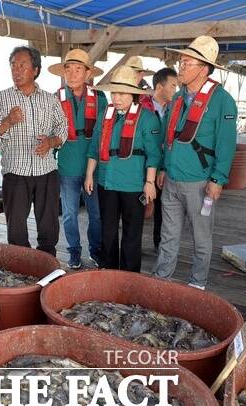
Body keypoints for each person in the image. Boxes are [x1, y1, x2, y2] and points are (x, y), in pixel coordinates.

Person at [153, 36, 238, 290]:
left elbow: (226, 144)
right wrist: (163, 168)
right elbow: (169, 137)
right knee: (168, 237)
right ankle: (161, 282)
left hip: (201, 184)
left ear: (204, 68)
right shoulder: (177, 99)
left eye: (186, 63)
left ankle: (197, 285)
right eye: (181, 62)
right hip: (171, 181)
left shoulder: (222, 100)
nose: (181, 67)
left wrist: (218, 179)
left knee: (201, 239)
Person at [0, 46, 68, 256]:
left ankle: (47, 264)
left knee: (49, 225)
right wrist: (8, 121)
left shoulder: (50, 99)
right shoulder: (0, 98)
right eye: (13, 65)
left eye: (23, 65)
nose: (17, 70)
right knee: (17, 229)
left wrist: (51, 141)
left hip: (46, 171)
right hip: (16, 173)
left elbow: (63, 128)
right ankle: (22, 267)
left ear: (36, 70)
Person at [84, 65, 162, 272]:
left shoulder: (147, 118)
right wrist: (89, 175)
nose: (116, 97)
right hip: (106, 183)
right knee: (107, 232)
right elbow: (94, 148)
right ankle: (109, 273)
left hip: (133, 185)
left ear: (133, 94)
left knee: (131, 234)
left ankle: (129, 277)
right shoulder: (104, 114)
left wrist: (150, 183)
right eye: (113, 92)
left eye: (121, 93)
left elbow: (154, 154)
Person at [48, 49, 107, 269]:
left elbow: (104, 132)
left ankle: (96, 250)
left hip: (94, 166)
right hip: (67, 166)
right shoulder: (54, 98)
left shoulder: (100, 98)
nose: (72, 74)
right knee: (70, 214)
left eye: (78, 69)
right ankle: (74, 251)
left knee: (96, 214)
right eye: (68, 69)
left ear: (87, 73)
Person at [139, 67, 179, 250]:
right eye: (173, 86)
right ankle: (134, 245)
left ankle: (158, 243)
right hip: (142, 167)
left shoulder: (175, 110)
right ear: (159, 86)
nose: (175, 90)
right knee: (138, 207)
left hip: (164, 168)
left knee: (163, 210)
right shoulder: (140, 107)